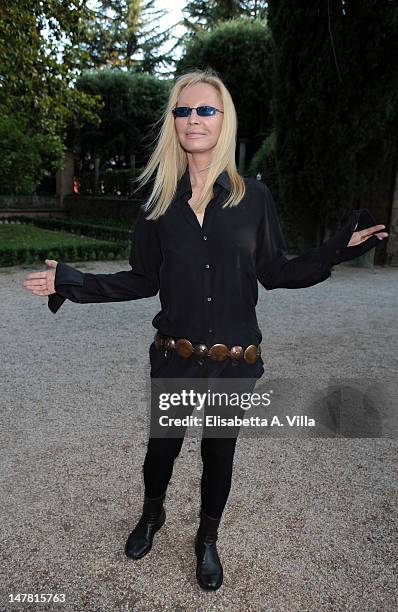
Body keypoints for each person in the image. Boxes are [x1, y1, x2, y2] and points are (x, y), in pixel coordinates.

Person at [22, 68, 388, 592]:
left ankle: (208, 539)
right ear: (174, 122)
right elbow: (142, 280)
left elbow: (278, 272)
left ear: (225, 120)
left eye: (205, 110)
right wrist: (72, 281)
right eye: (183, 110)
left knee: (219, 452)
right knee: (162, 448)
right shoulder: (156, 203)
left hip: (233, 363)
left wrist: (337, 250)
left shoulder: (253, 198)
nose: (193, 119)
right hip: (173, 356)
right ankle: (152, 517)